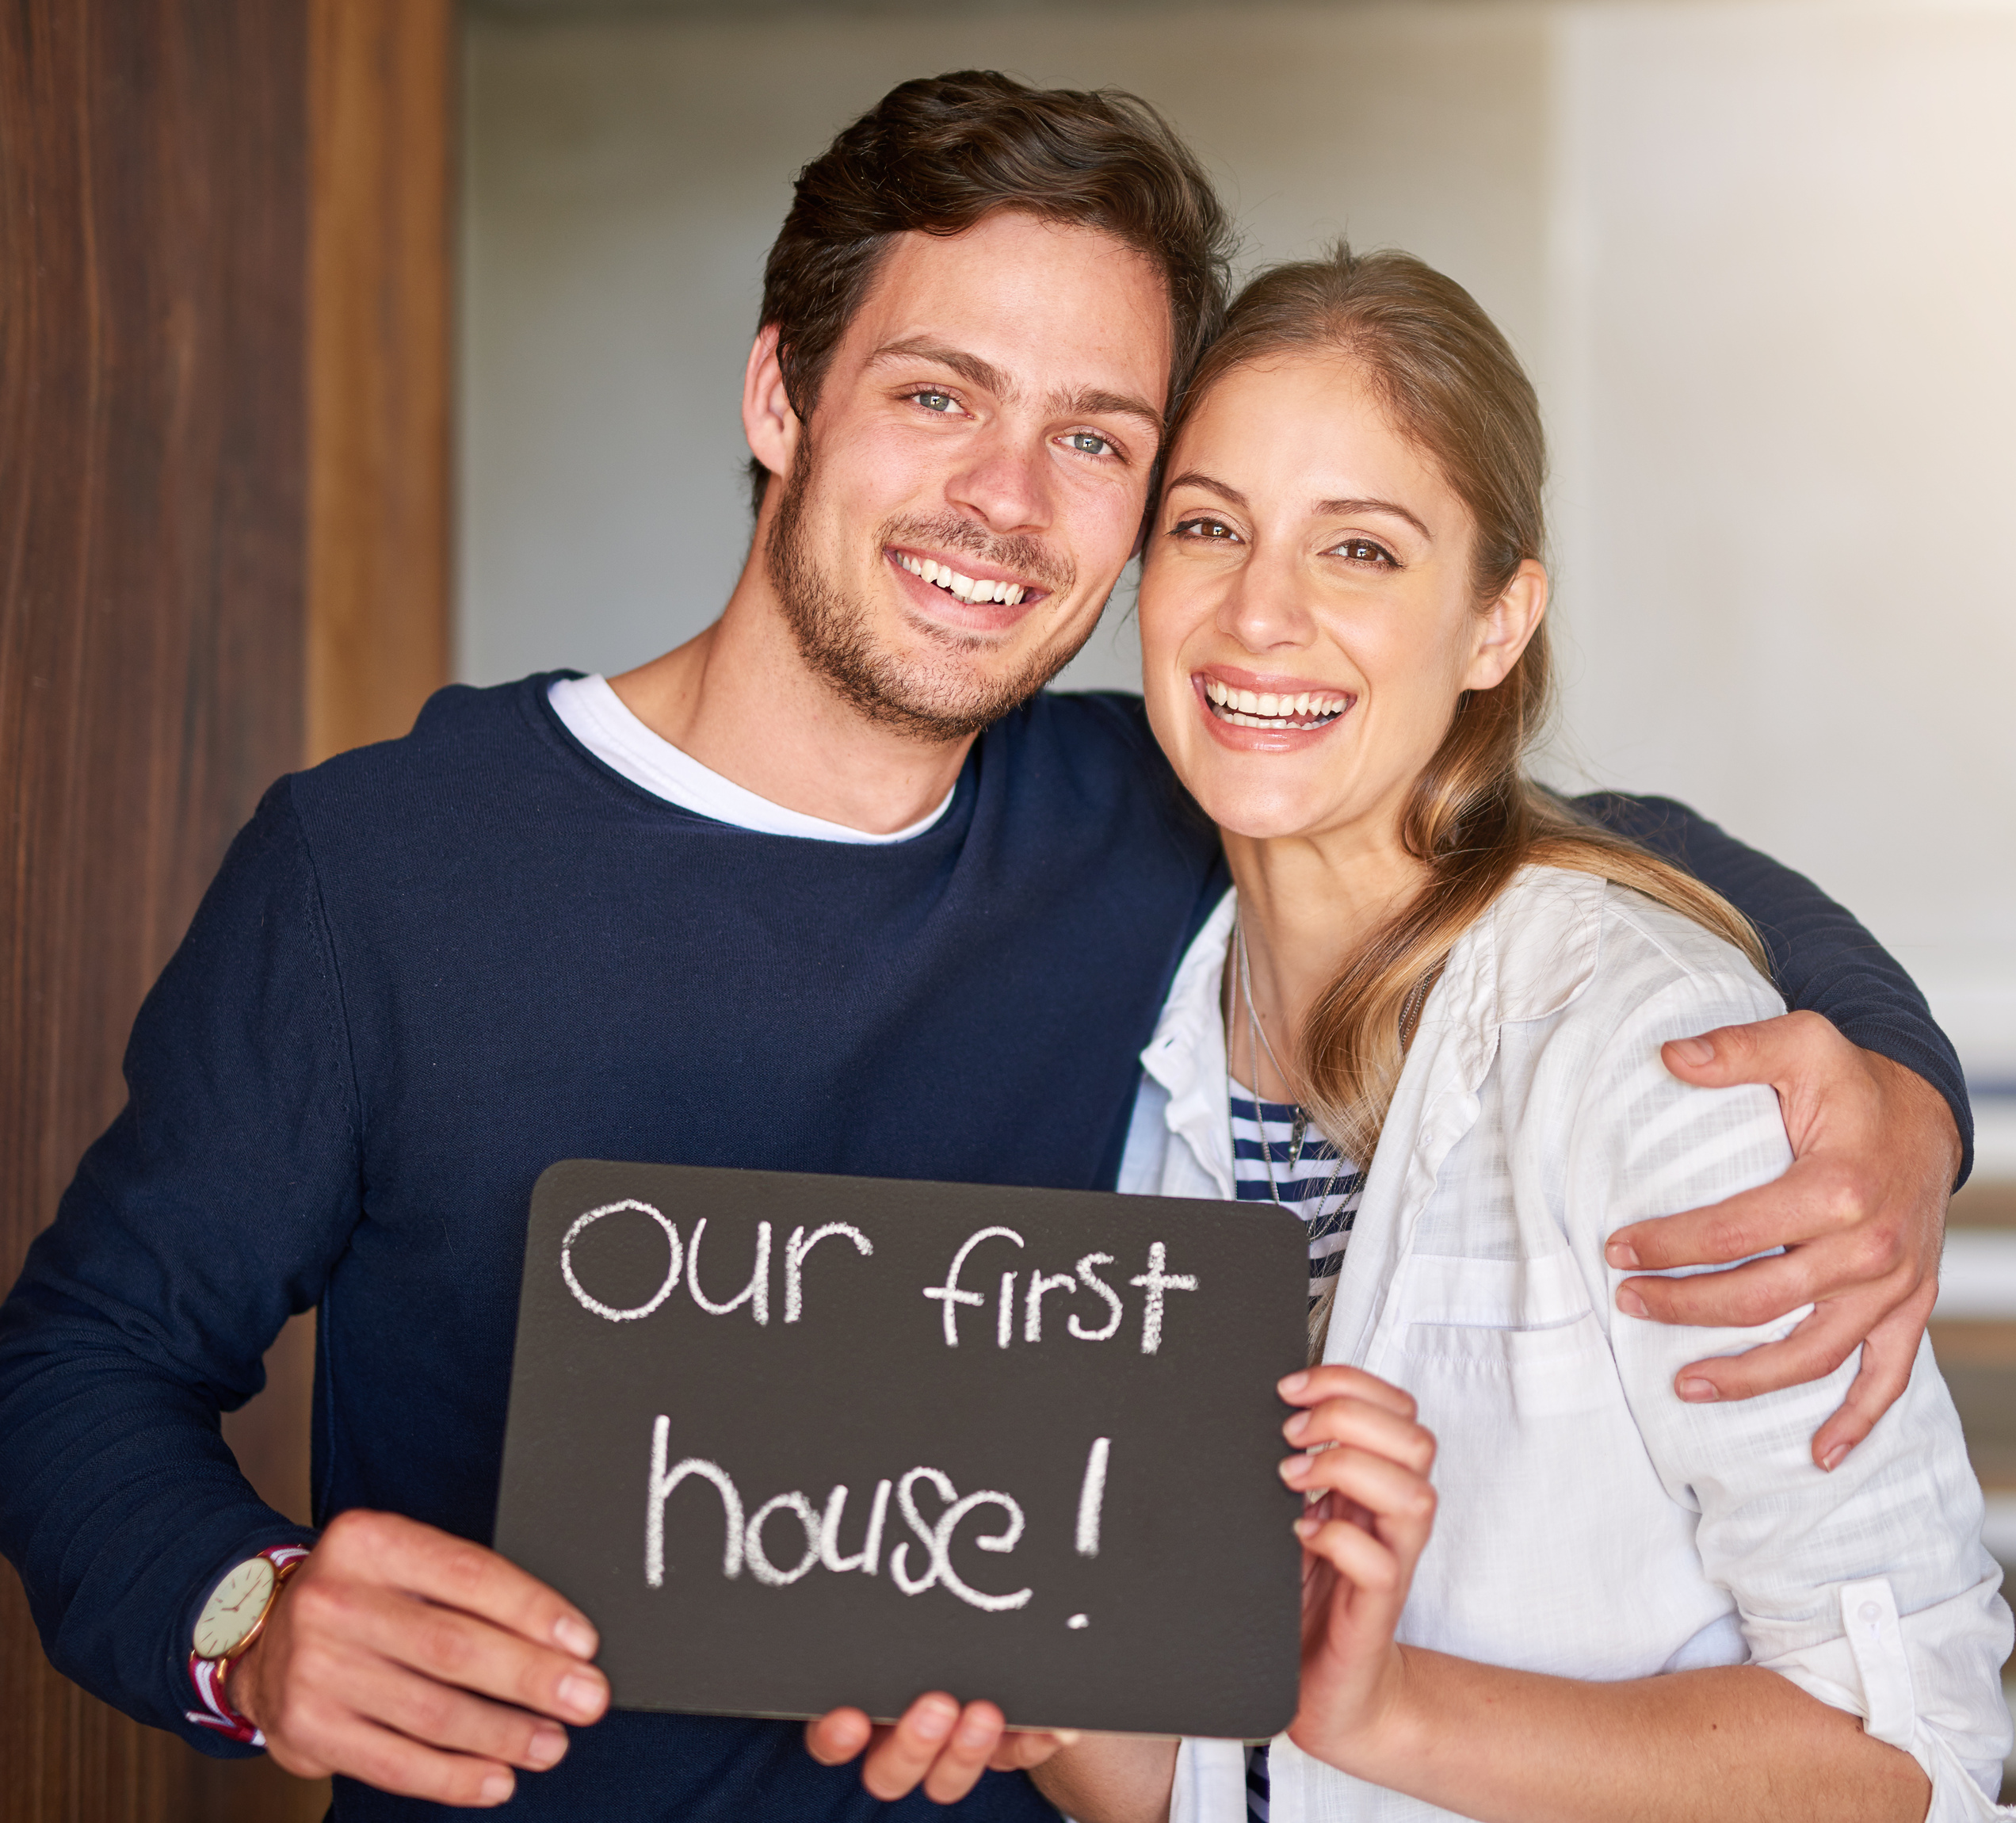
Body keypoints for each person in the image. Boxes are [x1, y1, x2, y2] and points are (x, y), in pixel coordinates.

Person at [0, 72, 1975, 1821]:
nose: (1006, 503)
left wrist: (1898, 1091)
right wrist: (239, 1620)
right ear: (781, 392)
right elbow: (82, 1363)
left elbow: (1570, 845)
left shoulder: (1155, 808)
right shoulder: (385, 869)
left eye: (1099, 440)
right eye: (938, 394)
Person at [1032, 246, 2011, 1823]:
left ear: (1496, 623)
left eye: (1360, 549)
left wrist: (1398, 1709)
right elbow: (1232, 1781)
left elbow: (1916, 1757)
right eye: (1210, 527)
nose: (1260, 613)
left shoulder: (1661, 1054)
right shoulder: (1144, 1044)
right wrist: (1021, 1686)